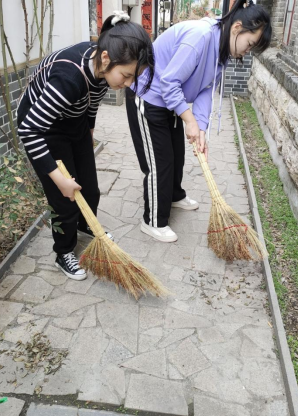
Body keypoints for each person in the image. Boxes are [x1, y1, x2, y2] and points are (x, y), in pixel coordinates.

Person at [17, 11, 155, 280]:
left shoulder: (103, 67)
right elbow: (29, 130)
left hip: (73, 120)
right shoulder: (68, 77)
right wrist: (59, 179)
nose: (128, 84)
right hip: (44, 128)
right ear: (106, 58)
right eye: (126, 76)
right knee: (64, 199)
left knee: (89, 189)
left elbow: (92, 102)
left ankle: (85, 224)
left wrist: (88, 134)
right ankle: (63, 251)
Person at [125, 0, 271, 243]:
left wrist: (200, 127)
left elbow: (206, 89)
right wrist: (189, 119)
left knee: (176, 155)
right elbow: (169, 82)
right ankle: (153, 221)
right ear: (237, 28)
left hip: (170, 101)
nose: (247, 51)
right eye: (250, 44)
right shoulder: (200, 37)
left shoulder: (222, 50)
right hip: (149, 95)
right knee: (159, 162)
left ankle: (174, 195)